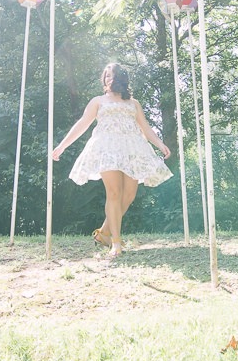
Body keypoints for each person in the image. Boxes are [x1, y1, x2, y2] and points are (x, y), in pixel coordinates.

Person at [51, 63, 172, 257]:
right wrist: (62, 145)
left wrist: (160, 144)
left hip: (132, 149)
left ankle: (104, 232)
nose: (109, 79)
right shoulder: (98, 101)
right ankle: (116, 242)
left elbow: (145, 128)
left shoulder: (134, 103)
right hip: (107, 148)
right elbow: (83, 124)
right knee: (114, 193)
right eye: (107, 76)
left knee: (129, 194)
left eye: (113, 76)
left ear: (122, 79)